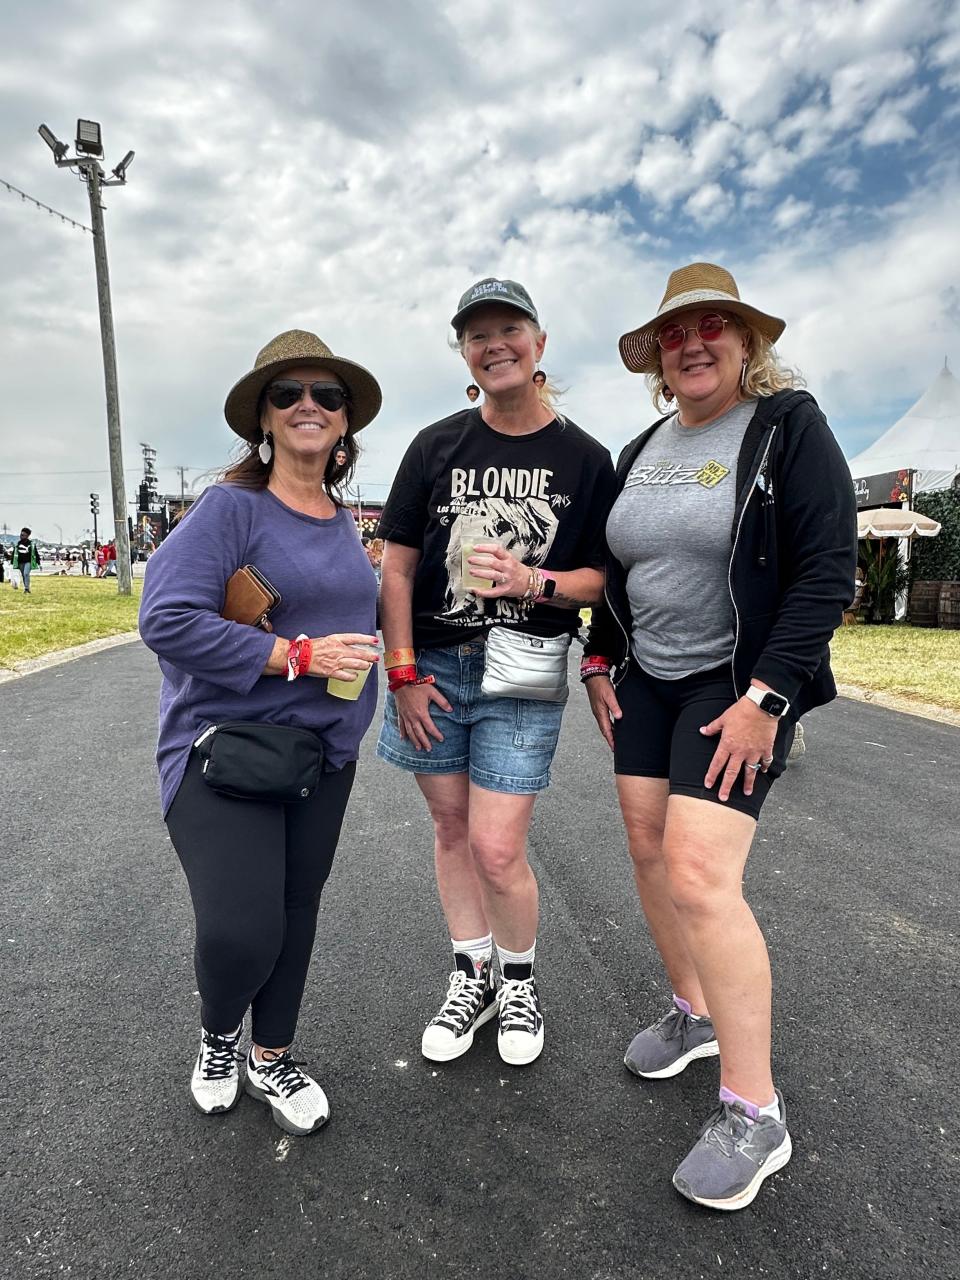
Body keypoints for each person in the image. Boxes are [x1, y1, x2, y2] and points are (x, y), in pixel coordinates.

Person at [583, 262, 856, 1210]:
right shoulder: (642, 447)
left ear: (748, 344)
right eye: (675, 332)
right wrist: (595, 659)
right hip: (645, 681)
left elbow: (828, 570)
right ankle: (692, 1014)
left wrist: (768, 695)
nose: (693, 342)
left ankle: (755, 1109)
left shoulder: (788, 429)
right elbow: (621, 570)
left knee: (701, 871)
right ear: (657, 357)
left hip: (737, 684)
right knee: (648, 850)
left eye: (714, 326)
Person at [139, 329, 382, 1135]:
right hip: (224, 751)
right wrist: (296, 655)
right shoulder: (230, 508)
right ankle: (218, 1036)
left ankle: (270, 1056)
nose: (308, 405)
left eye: (326, 395)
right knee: (245, 929)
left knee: (296, 909)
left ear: (346, 421)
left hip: (323, 758)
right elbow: (165, 619)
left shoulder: (344, 521)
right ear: (265, 420)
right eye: (289, 395)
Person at [377, 277, 618, 1068]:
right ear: (465, 354)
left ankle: (519, 981)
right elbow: (400, 567)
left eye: (509, 328)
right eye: (477, 335)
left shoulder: (584, 459)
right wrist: (403, 672)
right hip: (435, 670)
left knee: (497, 847)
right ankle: (471, 977)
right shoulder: (435, 446)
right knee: (450, 830)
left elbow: (602, 580)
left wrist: (532, 582)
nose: (495, 344)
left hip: (523, 671)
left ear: (539, 343)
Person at [11, 528, 40, 592]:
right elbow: (14, 553)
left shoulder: (31, 544)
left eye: (23, 535)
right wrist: (12, 561)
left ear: (27, 536)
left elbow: (36, 553)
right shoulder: (18, 544)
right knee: (23, 575)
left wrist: (38, 562)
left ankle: (26, 588)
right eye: (20, 535)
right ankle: (26, 588)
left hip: (28, 562)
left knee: (26, 573)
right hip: (20, 562)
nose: (21, 536)